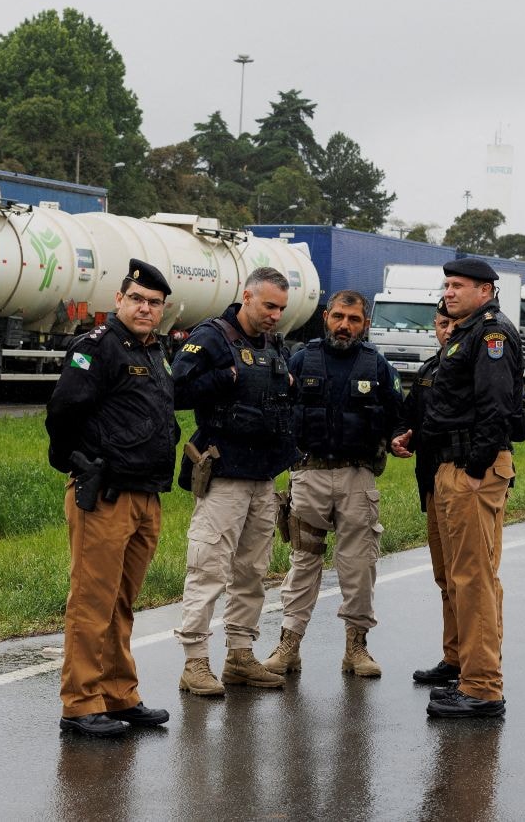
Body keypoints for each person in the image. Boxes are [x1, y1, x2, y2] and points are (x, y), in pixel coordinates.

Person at [45, 258, 180, 737]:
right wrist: (76, 464)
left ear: (163, 310)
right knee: (91, 601)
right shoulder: (97, 349)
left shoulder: (156, 352)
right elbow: (63, 410)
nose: (145, 308)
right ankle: (80, 704)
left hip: (146, 495)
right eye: (137, 299)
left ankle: (119, 695)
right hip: (105, 495)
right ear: (119, 300)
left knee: (122, 602)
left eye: (154, 303)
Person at [262, 290, 403, 678]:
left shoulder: (377, 366)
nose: (345, 325)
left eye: (354, 319)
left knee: (359, 566)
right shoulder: (300, 359)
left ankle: (356, 648)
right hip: (308, 475)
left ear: (366, 323)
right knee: (303, 562)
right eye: (339, 316)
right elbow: (277, 408)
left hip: (358, 477)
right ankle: (288, 646)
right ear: (326, 316)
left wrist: (398, 437)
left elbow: (398, 415)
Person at [171, 267, 297, 696]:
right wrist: (225, 377)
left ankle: (240, 655)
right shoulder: (211, 336)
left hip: (263, 476)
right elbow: (176, 391)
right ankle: (195, 662)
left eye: (281, 308)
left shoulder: (273, 344)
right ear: (247, 296)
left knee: (252, 572)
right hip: (224, 473)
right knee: (207, 568)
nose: (275, 315)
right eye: (268, 306)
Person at [418, 257, 521, 719]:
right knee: (459, 576)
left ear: (486, 291)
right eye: (447, 285)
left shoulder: (491, 334)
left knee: (474, 579)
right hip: (449, 464)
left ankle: (482, 688)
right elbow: (452, 403)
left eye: (458, 285)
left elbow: (496, 406)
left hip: (470, 470)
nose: (450, 291)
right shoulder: (465, 332)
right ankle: (465, 670)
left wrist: (477, 468)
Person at [390, 300, 459, 688]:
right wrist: (401, 435)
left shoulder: (479, 363)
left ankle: (476, 666)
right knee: (445, 577)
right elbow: (410, 414)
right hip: (433, 483)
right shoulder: (430, 369)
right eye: (442, 323)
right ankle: (454, 658)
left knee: (468, 578)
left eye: (454, 323)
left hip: (467, 479)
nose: (448, 330)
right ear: (434, 326)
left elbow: (520, 416)